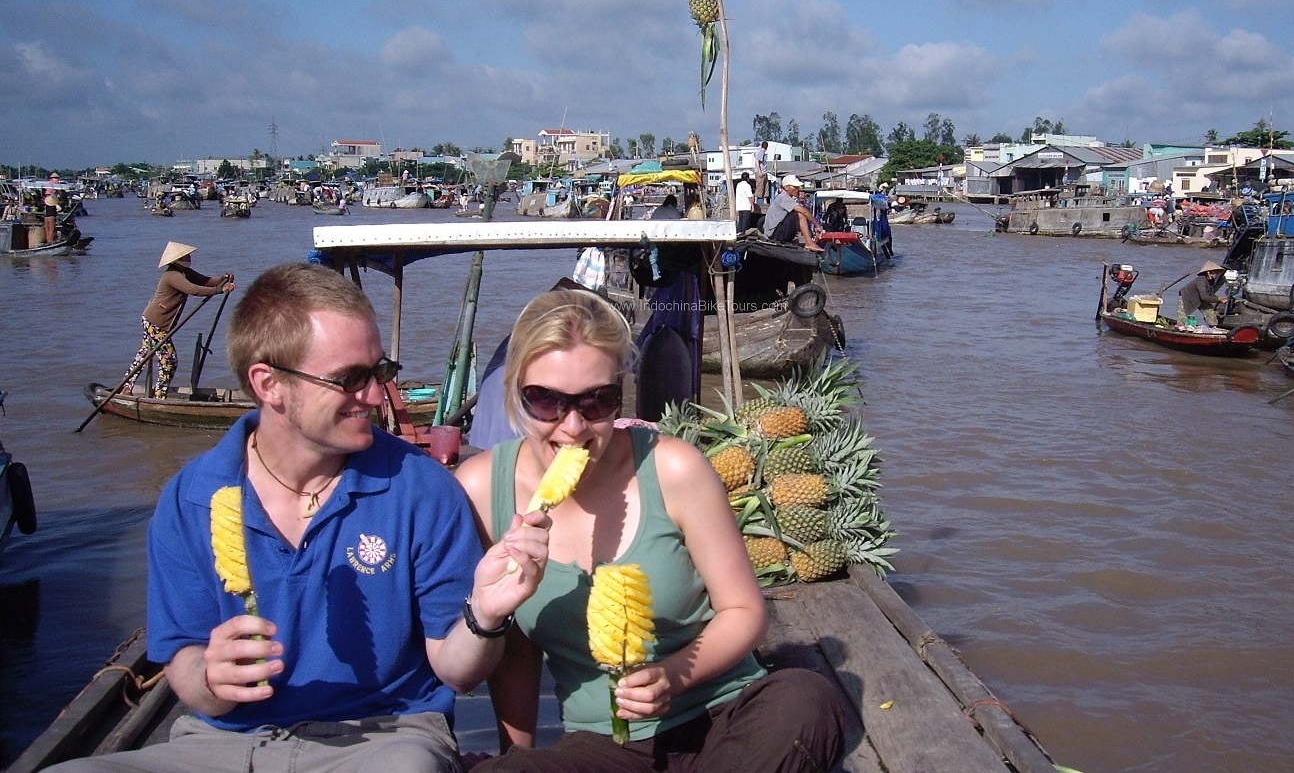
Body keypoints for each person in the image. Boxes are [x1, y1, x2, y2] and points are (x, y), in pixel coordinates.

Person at [49, 263, 551, 773]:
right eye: (350, 379)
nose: (376, 395)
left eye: (380, 371)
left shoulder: (421, 489)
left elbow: (458, 672)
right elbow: (184, 658)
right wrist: (210, 676)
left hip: (382, 737)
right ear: (269, 385)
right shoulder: (193, 497)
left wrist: (484, 618)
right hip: (221, 741)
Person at [456, 289, 845, 772]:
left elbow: (744, 610)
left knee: (806, 697)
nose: (573, 426)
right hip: (604, 745)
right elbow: (515, 654)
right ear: (516, 390)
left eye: (598, 401)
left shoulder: (673, 469)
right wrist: (517, 756)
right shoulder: (480, 490)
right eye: (546, 400)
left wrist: (673, 676)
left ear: (622, 390)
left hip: (723, 718)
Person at [122, 242, 236, 399]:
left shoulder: (185, 272)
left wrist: (222, 279)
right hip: (156, 323)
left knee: (144, 354)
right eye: (186, 256)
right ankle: (159, 396)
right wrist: (218, 290)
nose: (189, 258)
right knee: (169, 361)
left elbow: (205, 281)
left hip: (155, 322)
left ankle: (126, 387)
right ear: (177, 260)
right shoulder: (173, 276)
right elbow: (193, 289)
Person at [763, 174, 823, 251]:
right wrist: (817, 225)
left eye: (797, 187)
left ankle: (808, 240)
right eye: (794, 187)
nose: (797, 189)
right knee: (800, 214)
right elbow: (804, 211)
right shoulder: (783, 197)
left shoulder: (786, 198)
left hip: (776, 232)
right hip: (774, 235)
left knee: (797, 214)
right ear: (786, 187)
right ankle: (809, 243)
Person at [1178, 260, 1226, 328]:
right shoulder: (1201, 280)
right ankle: (1180, 328)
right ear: (1208, 272)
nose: (1215, 273)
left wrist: (1220, 298)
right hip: (1187, 297)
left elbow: (1209, 294)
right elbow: (1204, 297)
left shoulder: (1210, 281)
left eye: (1216, 272)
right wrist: (1218, 299)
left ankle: (1213, 327)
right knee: (1182, 320)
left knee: (1211, 315)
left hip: (1200, 297)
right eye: (1214, 272)